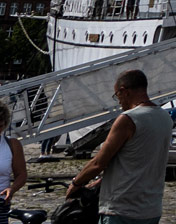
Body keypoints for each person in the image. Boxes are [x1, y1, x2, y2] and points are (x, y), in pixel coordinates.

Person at [67, 68, 170, 224]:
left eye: (117, 95)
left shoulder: (128, 119)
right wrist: (101, 182)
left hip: (122, 208)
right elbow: (139, 160)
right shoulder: (164, 117)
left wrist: (76, 183)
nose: (119, 101)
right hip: (151, 208)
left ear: (124, 91)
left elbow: (98, 163)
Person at [0, 100, 25, 210]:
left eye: (0, 126)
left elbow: (21, 174)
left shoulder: (12, 144)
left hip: (1, 202)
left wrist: (12, 188)